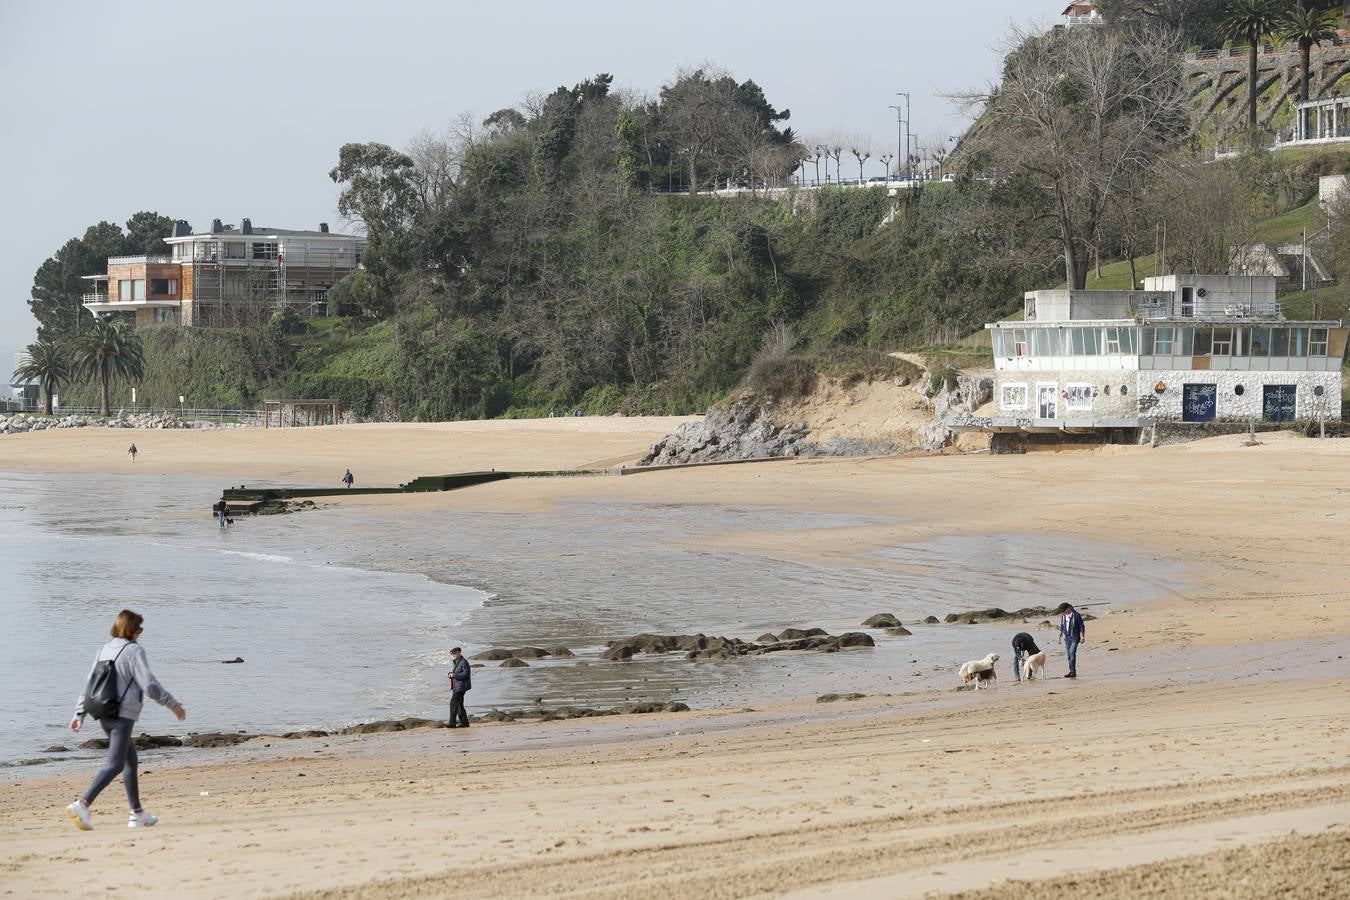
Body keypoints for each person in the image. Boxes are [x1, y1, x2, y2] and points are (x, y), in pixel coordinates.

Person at [67, 610, 186, 831]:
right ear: (131, 629)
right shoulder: (133, 651)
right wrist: (172, 704)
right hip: (122, 715)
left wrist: (79, 714)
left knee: (130, 760)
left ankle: (137, 813)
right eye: (139, 628)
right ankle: (82, 804)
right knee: (115, 764)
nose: (141, 632)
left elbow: (90, 683)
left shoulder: (103, 649)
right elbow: (149, 685)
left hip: (103, 711)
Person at [1057, 602, 1086, 678]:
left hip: (1075, 637)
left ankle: (1073, 672)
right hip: (1067, 638)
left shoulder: (1076, 615)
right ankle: (1072, 671)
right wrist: (1060, 636)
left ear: (1068, 609)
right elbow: (1062, 625)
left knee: (1072, 653)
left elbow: (1082, 626)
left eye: (1063, 610)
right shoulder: (1063, 615)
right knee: (1069, 655)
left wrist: (1082, 636)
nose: (1062, 612)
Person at [447, 647, 471, 728]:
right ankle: (465, 723)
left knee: (453, 704)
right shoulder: (457, 662)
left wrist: (454, 675)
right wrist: (452, 675)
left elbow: (465, 675)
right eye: (451, 654)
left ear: (459, 653)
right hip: (456, 686)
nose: (453, 655)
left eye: (454, 653)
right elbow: (458, 674)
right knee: (459, 705)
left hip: (461, 687)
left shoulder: (463, 662)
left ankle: (452, 723)